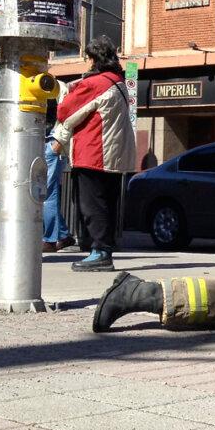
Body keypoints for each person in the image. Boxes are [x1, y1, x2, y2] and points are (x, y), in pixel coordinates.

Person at [53, 37, 137, 272]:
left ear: (93, 59)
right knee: (107, 203)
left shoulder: (96, 83)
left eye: (87, 58)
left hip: (94, 152)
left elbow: (64, 111)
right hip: (114, 155)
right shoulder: (119, 81)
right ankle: (102, 250)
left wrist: (67, 91)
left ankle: (100, 253)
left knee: (92, 205)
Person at [42, 81, 75, 253]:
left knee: (47, 192)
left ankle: (50, 239)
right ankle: (62, 235)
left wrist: (59, 141)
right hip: (39, 140)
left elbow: (68, 114)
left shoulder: (57, 86)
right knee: (43, 191)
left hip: (50, 142)